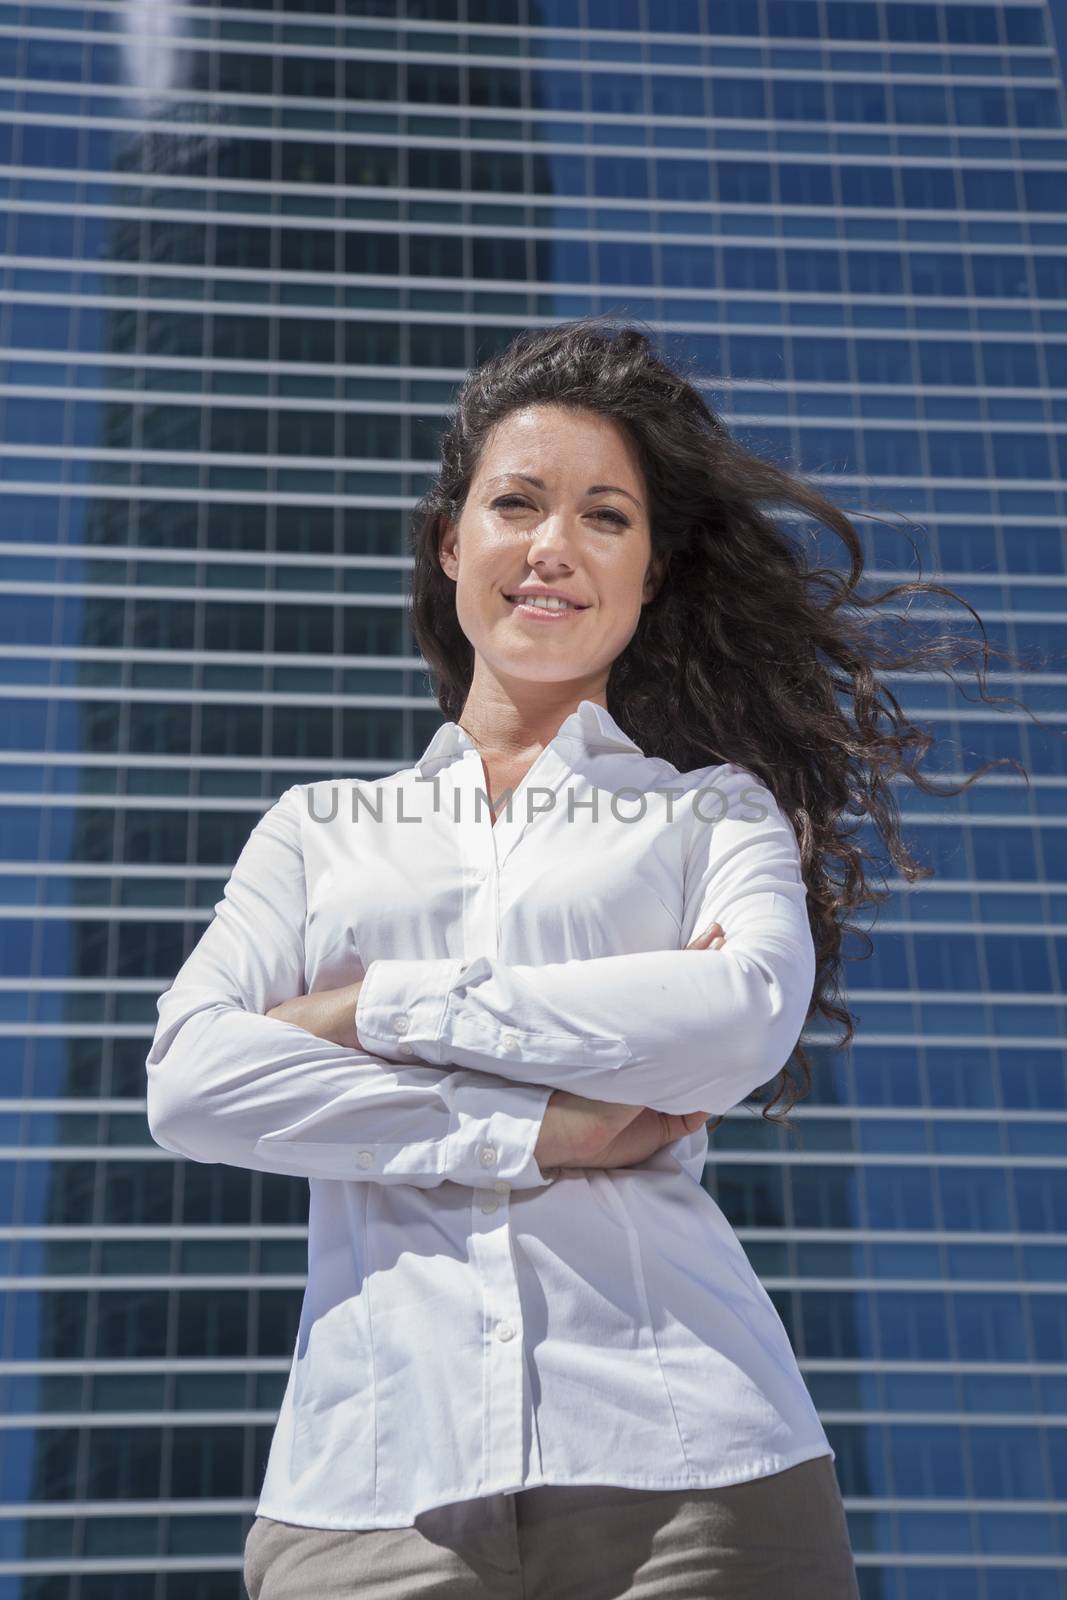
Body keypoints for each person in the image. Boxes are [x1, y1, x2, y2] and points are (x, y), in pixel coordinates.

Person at [146, 318, 1018, 1598]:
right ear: (452, 545)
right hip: (368, 1495)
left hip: (694, 1474)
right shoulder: (319, 828)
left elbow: (735, 1018)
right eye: (516, 503)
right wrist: (539, 1130)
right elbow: (191, 1083)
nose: (553, 545)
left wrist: (369, 1003)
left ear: (649, 572)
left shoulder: (710, 810)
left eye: (604, 516)